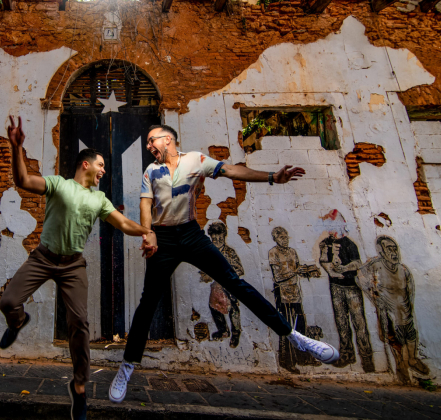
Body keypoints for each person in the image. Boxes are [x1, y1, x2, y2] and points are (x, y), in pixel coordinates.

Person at [109, 124, 340, 403]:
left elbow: (231, 170)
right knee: (148, 302)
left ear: (167, 139)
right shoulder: (151, 171)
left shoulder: (196, 160)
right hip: (164, 238)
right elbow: (146, 205)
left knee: (235, 284)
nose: (148, 147)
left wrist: (271, 177)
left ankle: (293, 336)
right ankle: (127, 366)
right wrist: (149, 234)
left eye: (151, 141)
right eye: (147, 143)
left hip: (192, 234)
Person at [0, 116, 157, 420]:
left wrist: (146, 232)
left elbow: (122, 223)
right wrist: (16, 147)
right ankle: (17, 322)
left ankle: (80, 387)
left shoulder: (99, 199)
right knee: (8, 302)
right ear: (86, 164)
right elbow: (23, 181)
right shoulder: (59, 184)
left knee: (79, 326)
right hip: (43, 258)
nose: (103, 171)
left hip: (73, 266)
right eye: (101, 165)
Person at [356, 236, 429, 384]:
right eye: (389, 249)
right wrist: (374, 297)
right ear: (381, 252)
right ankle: (402, 366)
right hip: (388, 313)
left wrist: (409, 306)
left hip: (404, 310)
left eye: (395, 248)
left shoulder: (403, 269)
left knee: (411, 336)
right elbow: (359, 277)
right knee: (395, 340)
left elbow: (410, 290)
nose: (394, 252)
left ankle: (413, 360)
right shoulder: (376, 266)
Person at [317, 211, 375, 372]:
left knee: (359, 323)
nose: (329, 231)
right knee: (341, 323)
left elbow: (357, 263)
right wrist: (328, 264)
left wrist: (345, 267)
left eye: (331, 227)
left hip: (351, 287)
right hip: (336, 287)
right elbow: (324, 261)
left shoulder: (349, 244)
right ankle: (347, 354)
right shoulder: (326, 244)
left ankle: (366, 357)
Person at [268, 226, 322, 373]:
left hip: (295, 293)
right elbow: (278, 277)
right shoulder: (273, 253)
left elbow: (297, 270)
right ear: (275, 239)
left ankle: (303, 358)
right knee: (286, 327)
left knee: (300, 327)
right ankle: (287, 361)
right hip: (283, 294)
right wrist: (295, 271)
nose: (284, 240)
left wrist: (307, 271)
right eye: (281, 238)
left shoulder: (292, 251)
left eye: (285, 237)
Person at [203, 221, 244, 348]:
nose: (217, 238)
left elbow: (239, 269)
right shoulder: (209, 252)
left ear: (224, 235)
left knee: (233, 308)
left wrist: (227, 274)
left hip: (229, 286)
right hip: (216, 287)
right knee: (213, 307)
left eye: (219, 235)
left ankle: (236, 332)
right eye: (214, 236)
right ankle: (223, 330)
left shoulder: (229, 252)